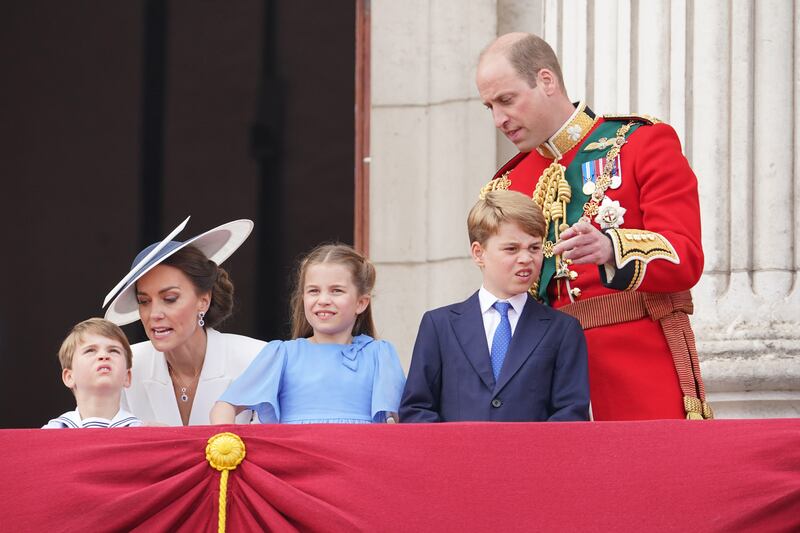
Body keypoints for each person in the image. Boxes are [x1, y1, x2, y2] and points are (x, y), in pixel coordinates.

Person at [475, 32, 711, 420]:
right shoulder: (507, 185)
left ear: (546, 81)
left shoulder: (640, 144)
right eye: (489, 107)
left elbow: (685, 256)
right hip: (543, 378)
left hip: (634, 366)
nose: (499, 119)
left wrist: (612, 249)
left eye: (506, 100)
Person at [400, 190, 589, 422]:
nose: (526, 258)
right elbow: (417, 409)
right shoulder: (439, 325)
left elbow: (569, 413)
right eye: (511, 249)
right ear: (478, 253)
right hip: (457, 457)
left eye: (534, 248)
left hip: (533, 457)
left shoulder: (563, 329)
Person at [210, 243, 405, 424]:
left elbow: (406, 420)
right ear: (303, 297)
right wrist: (227, 444)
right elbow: (224, 406)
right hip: (295, 460)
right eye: (313, 291)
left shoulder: (380, 355)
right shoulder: (282, 354)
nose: (323, 300)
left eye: (336, 291)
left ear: (361, 303)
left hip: (356, 458)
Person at [103, 218, 265, 426]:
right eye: (144, 301)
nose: (154, 314)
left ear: (203, 301)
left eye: (170, 299)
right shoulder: (124, 364)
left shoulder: (256, 359)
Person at [43, 318, 143, 428]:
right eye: (90, 350)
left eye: (114, 350)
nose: (104, 355)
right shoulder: (50, 433)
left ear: (127, 377)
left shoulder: (143, 433)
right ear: (69, 377)